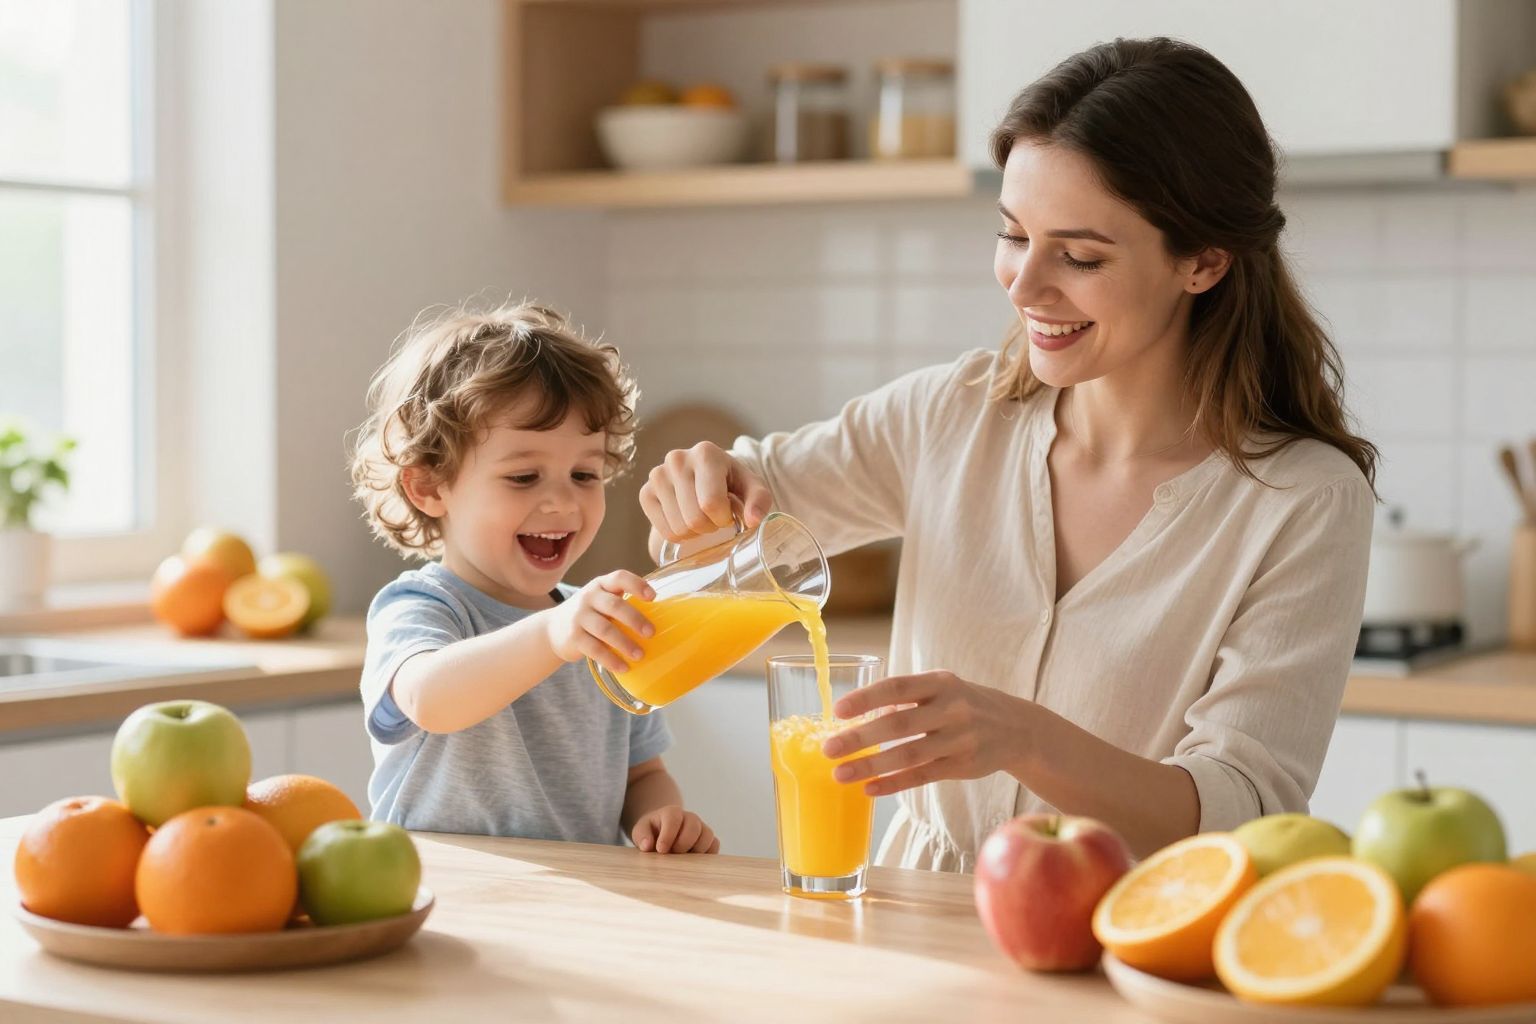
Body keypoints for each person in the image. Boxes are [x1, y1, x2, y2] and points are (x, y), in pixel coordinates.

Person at [638, 38, 1377, 868]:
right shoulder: (951, 415)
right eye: (1013, 234)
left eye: (1080, 256)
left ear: (1203, 261)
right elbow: (746, 505)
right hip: (919, 928)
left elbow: (1245, 810)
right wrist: (699, 492)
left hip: (1132, 948)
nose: (1023, 286)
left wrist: (1024, 738)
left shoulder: (1303, 498)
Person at [349, 300, 718, 854]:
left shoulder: (598, 626)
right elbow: (429, 698)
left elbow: (641, 774)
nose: (562, 501)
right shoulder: (421, 606)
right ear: (427, 488)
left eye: (584, 474)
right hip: (450, 899)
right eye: (523, 476)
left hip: (578, 905)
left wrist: (663, 817)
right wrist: (552, 635)